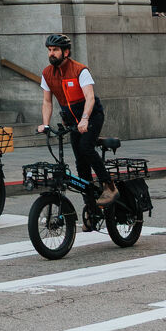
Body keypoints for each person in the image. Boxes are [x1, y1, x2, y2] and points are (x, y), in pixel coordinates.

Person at [39, 33, 115, 205]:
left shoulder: (80, 70)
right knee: (80, 161)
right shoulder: (47, 73)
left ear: (66, 52)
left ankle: (109, 186)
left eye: (55, 50)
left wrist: (85, 119)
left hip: (92, 116)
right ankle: (90, 206)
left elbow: (90, 97)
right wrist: (45, 124)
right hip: (73, 122)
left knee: (86, 147)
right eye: (50, 50)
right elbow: (47, 101)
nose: (51, 53)